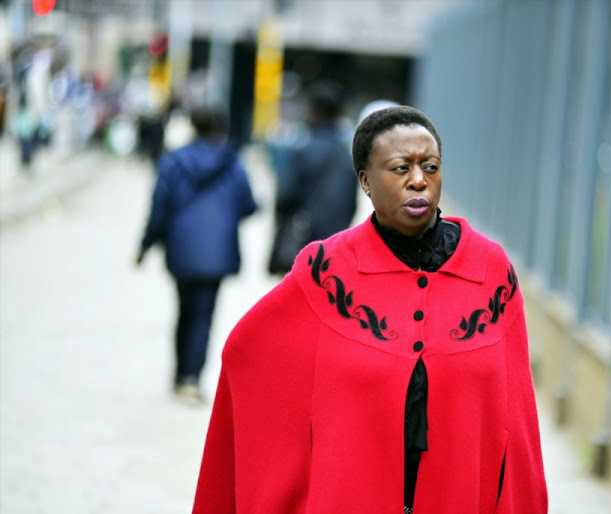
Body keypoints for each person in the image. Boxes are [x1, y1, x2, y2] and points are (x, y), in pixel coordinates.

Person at [193, 106, 547, 512]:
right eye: (400, 168)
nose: (419, 181)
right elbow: (247, 353)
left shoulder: (491, 272)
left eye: (430, 167)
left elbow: (517, 420)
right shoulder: (326, 271)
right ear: (365, 181)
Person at [135, 105, 258, 405]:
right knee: (204, 314)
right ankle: (191, 378)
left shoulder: (173, 161)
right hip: (217, 250)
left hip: (181, 247)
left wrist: (145, 245)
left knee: (183, 311)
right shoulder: (233, 162)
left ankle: (179, 373)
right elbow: (249, 205)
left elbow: (159, 207)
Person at [267, 79, 358, 274]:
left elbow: (284, 196)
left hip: (299, 245)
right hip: (331, 249)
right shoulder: (346, 157)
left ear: (315, 111)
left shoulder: (301, 151)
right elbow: (351, 205)